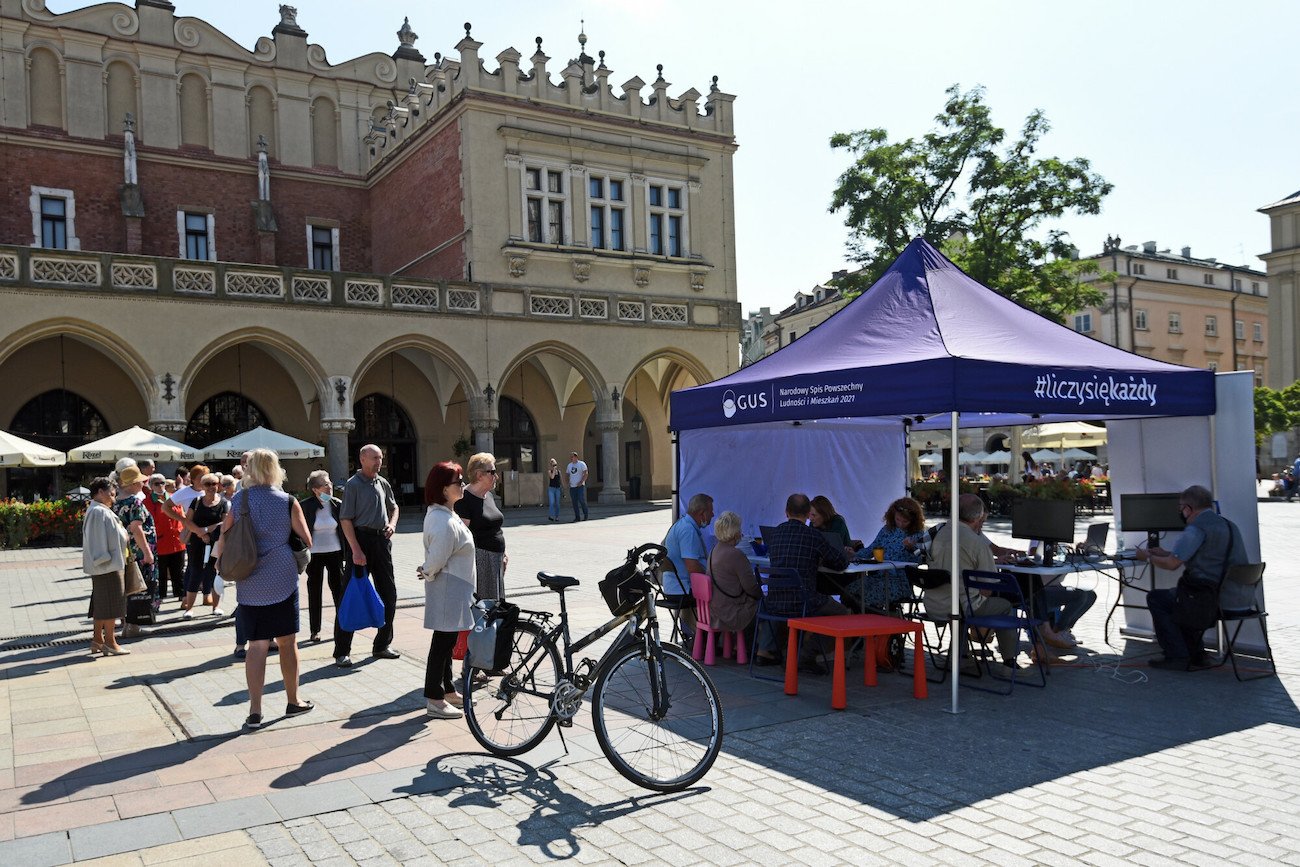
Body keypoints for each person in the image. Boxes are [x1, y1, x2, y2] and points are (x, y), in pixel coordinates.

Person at [217, 448, 313, 729]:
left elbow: (224, 535)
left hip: (249, 578)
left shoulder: (239, 499)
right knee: (287, 641)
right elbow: (306, 539)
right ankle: (293, 701)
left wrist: (218, 564)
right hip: (282, 577)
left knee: (256, 645)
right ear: (275, 469)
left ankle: (255, 710)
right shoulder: (288, 501)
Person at [1139, 484, 1249, 671]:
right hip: (1241, 597)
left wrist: (1147, 557)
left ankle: (1177, 655)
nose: (1181, 512)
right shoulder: (1229, 525)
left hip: (1211, 599)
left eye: (1181, 508)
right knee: (1178, 598)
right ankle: (1197, 654)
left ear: (1189, 508)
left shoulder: (1196, 528)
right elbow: (1204, 555)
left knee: (1158, 598)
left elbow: (1172, 565)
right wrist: (1165, 553)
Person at [924, 493, 1019, 672]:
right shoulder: (976, 543)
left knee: (959, 600)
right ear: (979, 516)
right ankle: (1009, 662)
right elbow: (989, 585)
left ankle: (962, 655)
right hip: (959, 607)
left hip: (933, 604)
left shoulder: (938, 533)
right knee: (1005, 605)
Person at [765, 493, 851, 674]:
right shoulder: (813, 536)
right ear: (807, 514)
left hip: (774, 600)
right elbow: (839, 563)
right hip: (804, 601)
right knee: (842, 613)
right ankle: (807, 654)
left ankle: (789, 652)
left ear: (786, 512)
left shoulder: (775, 533)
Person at [417, 461, 477, 719]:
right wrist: (427, 570)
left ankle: (447, 689)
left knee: (448, 639)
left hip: (455, 585)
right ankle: (434, 697)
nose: (462, 485)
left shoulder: (446, 514)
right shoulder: (442, 519)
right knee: (442, 643)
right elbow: (438, 555)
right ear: (443, 489)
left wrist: (428, 569)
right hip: (448, 585)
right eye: (457, 481)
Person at [339, 443, 400, 664]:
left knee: (389, 594)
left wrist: (392, 524)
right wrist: (355, 550)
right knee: (351, 595)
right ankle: (342, 650)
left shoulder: (382, 482)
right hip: (360, 539)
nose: (378, 462)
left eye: (380, 458)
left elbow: (394, 507)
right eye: (374, 458)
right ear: (362, 459)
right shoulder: (353, 485)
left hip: (381, 541)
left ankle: (382, 644)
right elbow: (345, 519)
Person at [846, 497, 925, 612]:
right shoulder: (887, 530)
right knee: (848, 592)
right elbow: (871, 550)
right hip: (879, 577)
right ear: (893, 515)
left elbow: (920, 560)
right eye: (898, 519)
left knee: (866, 596)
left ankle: (877, 621)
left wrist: (911, 549)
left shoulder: (917, 535)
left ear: (913, 521)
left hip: (899, 582)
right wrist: (854, 554)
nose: (901, 524)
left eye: (905, 521)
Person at [82, 477, 131, 655]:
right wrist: (105, 559)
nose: (114, 498)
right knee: (110, 604)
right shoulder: (99, 511)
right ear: (100, 492)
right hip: (108, 566)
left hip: (106, 565)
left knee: (102, 604)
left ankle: (98, 639)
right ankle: (110, 642)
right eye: (111, 494)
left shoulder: (98, 510)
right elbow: (98, 541)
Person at [455, 452, 508, 600]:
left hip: (496, 559)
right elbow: (462, 536)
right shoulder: (464, 499)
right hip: (481, 561)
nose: (496, 476)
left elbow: (495, 528)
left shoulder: (488, 496)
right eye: (492, 472)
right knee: (485, 607)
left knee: (496, 606)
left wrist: (504, 552)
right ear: (479, 475)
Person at [663, 493, 714, 641]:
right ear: (701, 513)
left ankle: (701, 638)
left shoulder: (683, 524)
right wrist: (711, 577)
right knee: (726, 593)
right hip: (682, 589)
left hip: (676, 586)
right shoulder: (688, 530)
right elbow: (692, 567)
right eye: (710, 511)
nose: (713, 514)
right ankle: (712, 641)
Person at [302, 470, 344, 646]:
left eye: (330, 484)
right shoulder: (305, 506)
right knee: (315, 591)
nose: (329, 488)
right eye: (325, 485)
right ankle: (315, 630)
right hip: (314, 554)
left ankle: (342, 628)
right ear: (315, 489)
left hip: (335, 552)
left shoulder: (337, 504)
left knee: (339, 590)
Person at [111, 465, 155, 633]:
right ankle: (134, 625)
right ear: (131, 484)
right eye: (139, 482)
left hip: (122, 550)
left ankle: (126, 623)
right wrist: (148, 552)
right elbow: (136, 529)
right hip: (137, 551)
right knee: (138, 587)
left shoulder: (114, 502)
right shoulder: (134, 502)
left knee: (126, 587)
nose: (143, 484)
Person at [706, 510, 761, 639]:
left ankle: (739, 646)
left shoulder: (714, 551)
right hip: (730, 612)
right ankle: (762, 649)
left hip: (713, 610)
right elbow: (751, 588)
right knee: (763, 606)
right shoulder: (736, 555)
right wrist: (762, 595)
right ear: (735, 533)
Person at [181, 473, 227, 618]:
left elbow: (224, 524)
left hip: (216, 542)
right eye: (208, 484)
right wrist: (201, 533)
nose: (211, 487)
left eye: (214, 484)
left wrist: (208, 531)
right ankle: (189, 608)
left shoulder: (223, 502)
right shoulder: (197, 501)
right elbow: (187, 521)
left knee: (214, 573)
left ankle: (216, 606)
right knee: (195, 572)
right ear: (202, 486)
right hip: (197, 542)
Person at [143, 473, 186, 603]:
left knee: (178, 570)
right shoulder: (147, 502)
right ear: (151, 486)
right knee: (160, 572)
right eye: (157, 483)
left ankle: (180, 594)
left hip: (177, 541)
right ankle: (160, 596)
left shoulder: (173, 498)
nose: (161, 486)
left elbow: (182, 516)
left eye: (163, 483)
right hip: (160, 542)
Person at [566, 450, 589, 521]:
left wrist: (581, 481)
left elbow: (586, 473)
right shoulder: (569, 465)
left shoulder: (581, 464)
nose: (571, 458)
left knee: (581, 500)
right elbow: (567, 474)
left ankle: (585, 515)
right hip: (572, 487)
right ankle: (577, 517)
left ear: (576, 457)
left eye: (572, 457)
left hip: (580, 486)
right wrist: (567, 482)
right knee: (574, 502)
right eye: (570, 457)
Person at [546, 458, 562, 522]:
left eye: (555, 465)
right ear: (551, 465)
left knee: (557, 503)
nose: (554, 466)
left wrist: (563, 487)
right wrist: (553, 470)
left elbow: (561, 480)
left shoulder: (559, 472)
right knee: (552, 502)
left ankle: (557, 516)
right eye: (553, 465)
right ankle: (551, 515)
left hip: (558, 488)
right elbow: (552, 477)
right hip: (551, 489)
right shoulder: (550, 471)